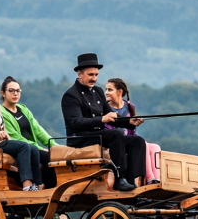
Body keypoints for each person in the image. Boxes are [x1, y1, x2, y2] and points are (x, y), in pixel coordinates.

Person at [61, 53, 145, 191]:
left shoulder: (98, 91)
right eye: (90, 75)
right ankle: (119, 178)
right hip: (80, 138)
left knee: (138, 141)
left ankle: (131, 181)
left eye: (96, 75)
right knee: (116, 134)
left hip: (98, 136)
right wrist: (101, 119)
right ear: (79, 73)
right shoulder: (71, 95)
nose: (94, 78)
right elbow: (75, 122)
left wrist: (130, 121)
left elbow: (112, 117)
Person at [0, 76, 59, 188]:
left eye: (18, 91)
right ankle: (49, 190)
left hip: (33, 148)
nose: (15, 94)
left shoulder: (23, 108)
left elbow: (38, 129)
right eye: (11, 91)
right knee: (48, 157)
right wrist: (41, 148)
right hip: (22, 150)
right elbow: (15, 137)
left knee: (56, 154)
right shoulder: (1, 112)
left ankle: (50, 187)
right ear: (3, 93)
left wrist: (54, 146)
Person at [105, 78, 161, 185]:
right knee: (143, 143)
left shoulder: (129, 106)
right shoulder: (106, 109)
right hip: (116, 142)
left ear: (119, 92)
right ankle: (149, 179)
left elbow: (131, 130)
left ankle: (156, 179)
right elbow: (107, 129)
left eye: (110, 90)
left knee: (155, 147)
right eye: (106, 89)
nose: (106, 92)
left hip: (129, 140)